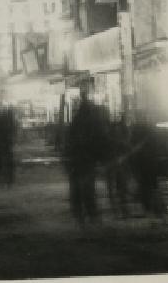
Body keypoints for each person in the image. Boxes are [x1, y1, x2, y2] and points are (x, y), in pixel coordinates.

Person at [65, 85, 105, 227]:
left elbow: (70, 139)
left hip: (77, 159)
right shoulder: (91, 119)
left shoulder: (77, 119)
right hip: (86, 159)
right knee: (87, 187)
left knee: (78, 188)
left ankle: (80, 214)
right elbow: (98, 139)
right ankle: (90, 214)